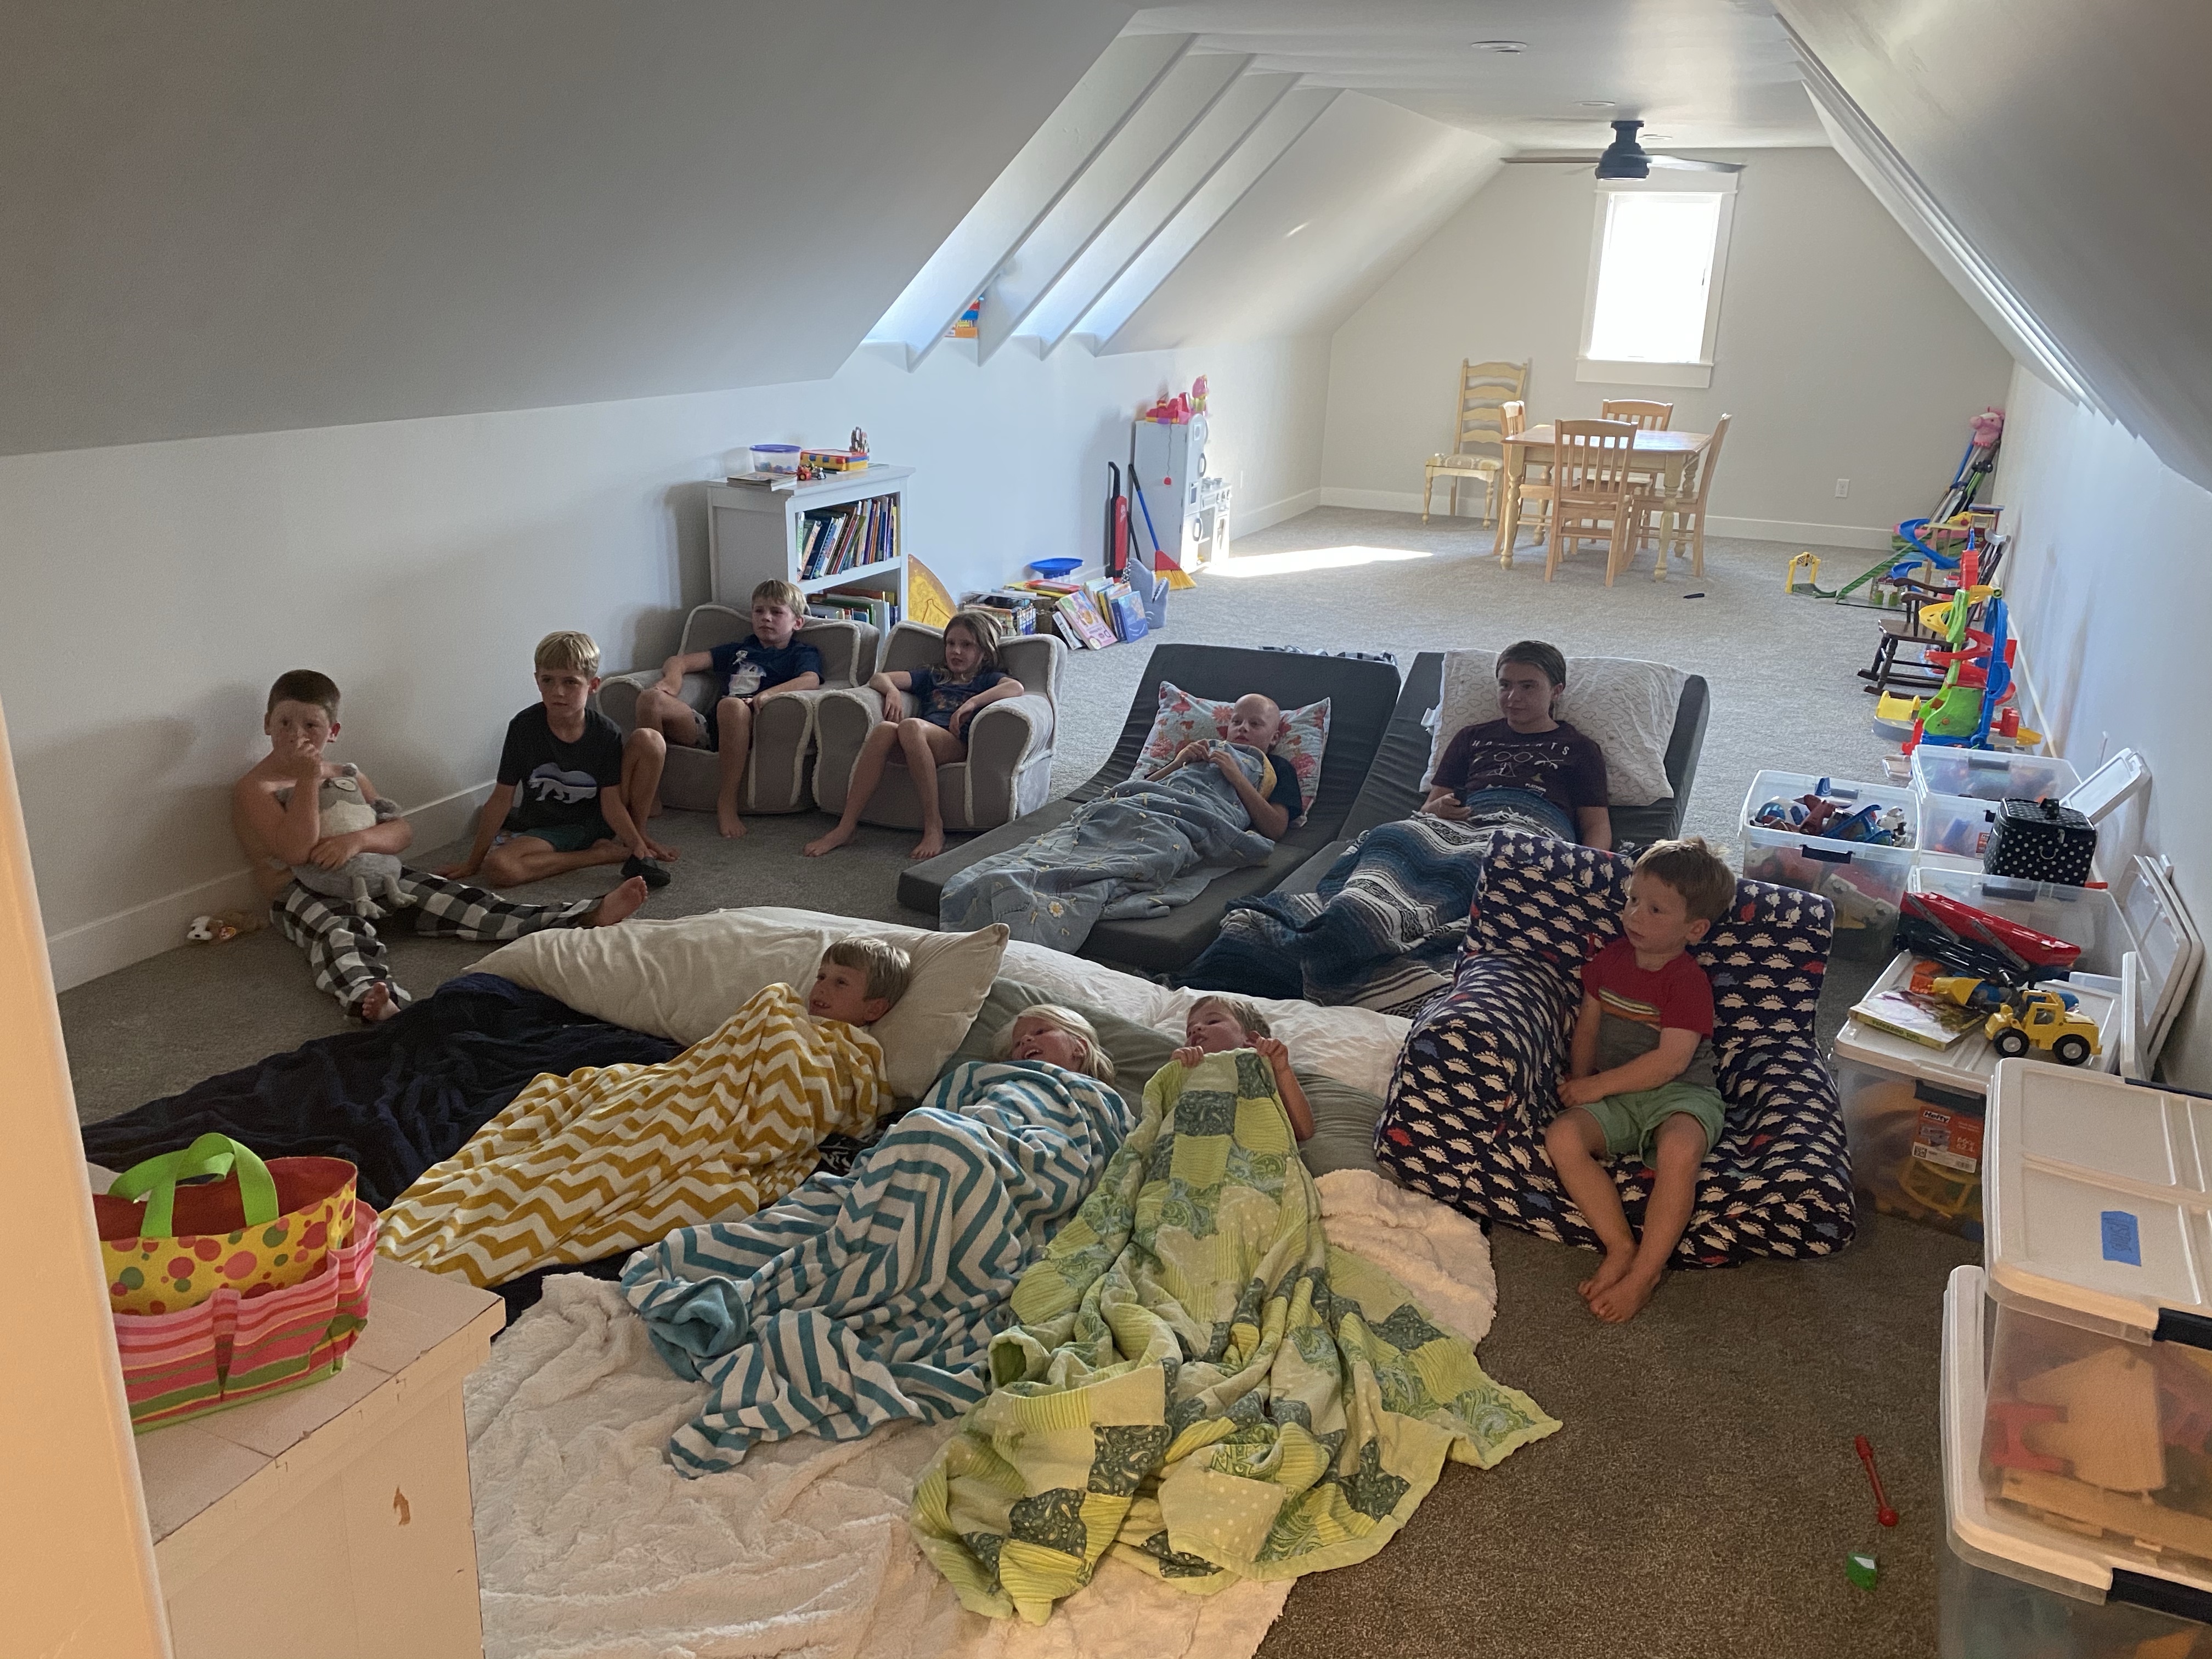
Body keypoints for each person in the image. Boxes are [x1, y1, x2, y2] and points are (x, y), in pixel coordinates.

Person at [233, 669, 650, 1023]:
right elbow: (295, 852)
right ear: (268, 723)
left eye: (311, 726)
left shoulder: (347, 774)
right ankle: (373, 999)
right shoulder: (257, 788)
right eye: (285, 723)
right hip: (302, 892)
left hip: (373, 875)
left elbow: (400, 832)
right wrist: (307, 781)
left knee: (463, 900)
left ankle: (583, 914)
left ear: (333, 732)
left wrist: (357, 840)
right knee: (340, 937)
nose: (296, 735)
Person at [1542, 837, 1735, 1323]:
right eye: (1632, 900)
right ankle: (1620, 1245)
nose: (1634, 916)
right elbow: (1587, 1029)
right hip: (1619, 1096)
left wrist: (1595, 1088)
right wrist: (1579, 1085)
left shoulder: (1687, 981)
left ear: (1695, 929)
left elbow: (1671, 1063)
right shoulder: (1609, 960)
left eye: (1655, 910)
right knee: (1562, 1137)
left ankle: (1646, 1273)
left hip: (1682, 1094)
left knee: (1680, 1150)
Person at [443, 630, 679, 893]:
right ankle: (600, 855)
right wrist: (473, 863)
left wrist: (637, 844)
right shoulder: (523, 728)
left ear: (593, 685)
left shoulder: (606, 732)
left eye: (570, 682)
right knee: (500, 867)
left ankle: (637, 832)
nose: (558, 692)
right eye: (548, 680)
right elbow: (501, 799)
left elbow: (611, 802)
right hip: (548, 827)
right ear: (537, 681)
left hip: (600, 819)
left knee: (650, 740)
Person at [805, 608, 1026, 862]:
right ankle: (846, 826)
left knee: (910, 726)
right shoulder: (934, 676)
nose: (956, 651)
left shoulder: (987, 679)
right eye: (951, 644)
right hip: (917, 742)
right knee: (885, 730)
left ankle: (934, 825)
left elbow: (1015, 687)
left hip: (954, 744)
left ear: (985, 652)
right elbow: (879, 678)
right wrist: (892, 692)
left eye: (966, 645)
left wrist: (973, 702)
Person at [629, 579, 825, 838]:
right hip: (711, 728)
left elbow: (811, 679)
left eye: (777, 612)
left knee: (731, 705)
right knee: (650, 699)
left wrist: (768, 694)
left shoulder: (800, 652)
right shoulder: (740, 650)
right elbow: (679, 661)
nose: (766, 618)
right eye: (759, 611)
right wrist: (673, 681)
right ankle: (650, 794)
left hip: (753, 727)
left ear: (797, 622)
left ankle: (727, 802)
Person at [1424, 641, 1611, 849]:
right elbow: (1427, 809)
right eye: (1505, 685)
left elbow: (1596, 826)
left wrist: (1588, 864)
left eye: (1528, 687)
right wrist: (1438, 808)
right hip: (1464, 831)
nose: (1513, 697)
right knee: (1396, 834)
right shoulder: (1471, 737)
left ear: (1556, 691)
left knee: (1494, 856)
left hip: (1534, 837)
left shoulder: (1580, 748)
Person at [1148, 693, 1304, 840]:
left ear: (1274, 738)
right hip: (1154, 804)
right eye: (1236, 722)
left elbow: (1276, 829)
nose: (1243, 728)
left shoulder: (1278, 767)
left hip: (1194, 821)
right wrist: (1177, 763)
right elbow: (1142, 788)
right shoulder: (1203, 749)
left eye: (1255, 724)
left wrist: (1237, 777)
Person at [1171, 994, 1313, 1141]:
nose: (1195, 1029)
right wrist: (1174, 1072)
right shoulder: (1187, 1070)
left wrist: (1282, 1070)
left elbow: (1304, 1130)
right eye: (1189, 1032)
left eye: (1213, 1021)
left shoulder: (1260, 1070)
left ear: (1251, 1040)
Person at [806, 936, 914, 1028]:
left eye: (841, 982)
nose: (821, 987)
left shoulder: (853, 1042)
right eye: (821, 977)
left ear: (873, 1009)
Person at [996, 1005, 1117, 1082]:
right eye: (1017, 1044)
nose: (1025, 1039)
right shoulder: (1001, 1077)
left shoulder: (1098, 1094)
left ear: (1079, 1047)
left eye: (1040, 1032)